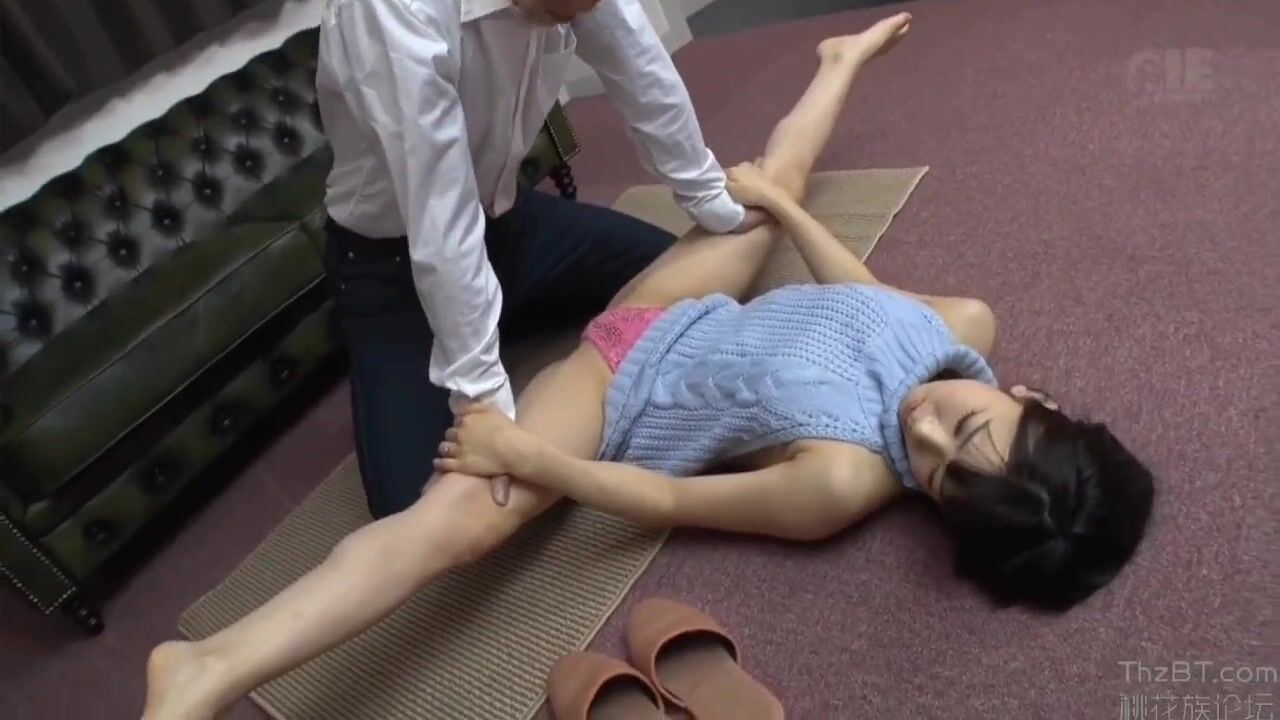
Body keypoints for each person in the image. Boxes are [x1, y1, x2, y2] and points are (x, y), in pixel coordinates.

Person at [141, 14, 1149, 718]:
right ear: (1029, 396)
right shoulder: (964, 325)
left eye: (937, 473)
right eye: (964, 424)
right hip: (635, 296)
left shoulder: (842, 481)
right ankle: (839, 60)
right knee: (767, 189)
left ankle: (207, 667)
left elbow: (663, 501)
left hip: (616, 382)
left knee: (461, 521)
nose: (922, 424)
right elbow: (870, 301)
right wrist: (782, 210)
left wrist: (535, 462)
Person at [317, 0, 762, 519]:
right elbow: (440, 215)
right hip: (393, 266)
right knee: (419, 507)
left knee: (688, 275)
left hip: (511, 224)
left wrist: (710, 196)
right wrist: (484, 402)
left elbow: (637, 62)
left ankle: (500, 315)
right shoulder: (392, 10)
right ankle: (484, 329)